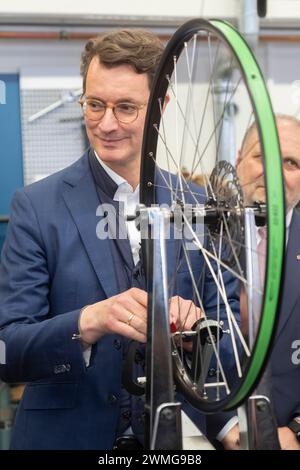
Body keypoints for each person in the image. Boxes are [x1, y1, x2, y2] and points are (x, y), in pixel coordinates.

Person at [0, 29, 239, 450]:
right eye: (95, 105)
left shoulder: (199, 205)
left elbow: (227, 334)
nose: (106, 124)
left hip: (166, 443)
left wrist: (194, 333)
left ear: (161, 108)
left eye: (126, 107)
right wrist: (85, 322)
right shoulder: (36, 206)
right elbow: (8, 348)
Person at [236, 114, 300, 450]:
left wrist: (297, 429)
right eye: (263, 157)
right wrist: (222, 428)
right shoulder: (190, 241)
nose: (274, 172)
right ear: (238, 161)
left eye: (290, 162)